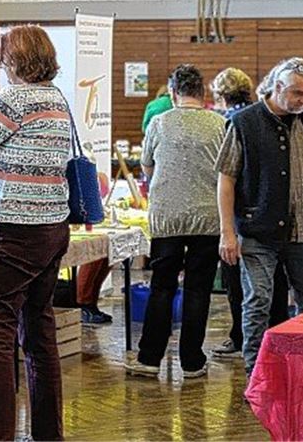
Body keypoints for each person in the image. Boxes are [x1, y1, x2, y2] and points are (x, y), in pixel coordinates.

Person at [0, 24, 71, 441]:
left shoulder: (13, 99)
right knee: (40, 333)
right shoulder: (56, 98)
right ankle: (48, 434)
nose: (0, 63)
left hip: (15, 229)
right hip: (53, 227)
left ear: (15, 60)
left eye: (3, 55)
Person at [217, 57, 303, 376]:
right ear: (277, 87)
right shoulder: (244, 122)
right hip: (257, 232)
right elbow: (226, 179)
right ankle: (256, 372)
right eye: (297, 93)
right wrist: (227, 233)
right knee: (258, 299)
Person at [125, 64, 225, 379]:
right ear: (203, 93)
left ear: (173, 93)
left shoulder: (159, 122)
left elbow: (148, 167)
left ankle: (149, 358)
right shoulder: (220, 124)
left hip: (167, 218)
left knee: (162, 287)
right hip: (207, 218)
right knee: (198, 290)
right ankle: (193, 361)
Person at [208, 67, 291, 358]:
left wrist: (227, 228)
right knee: (274, 284)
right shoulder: (261, 117)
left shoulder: (229, 122)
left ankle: (243, 340)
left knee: (241, 286)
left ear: (220, 94)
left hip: (243, 217)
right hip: (271, 217)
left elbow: (225, 176)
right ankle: (274, 341)